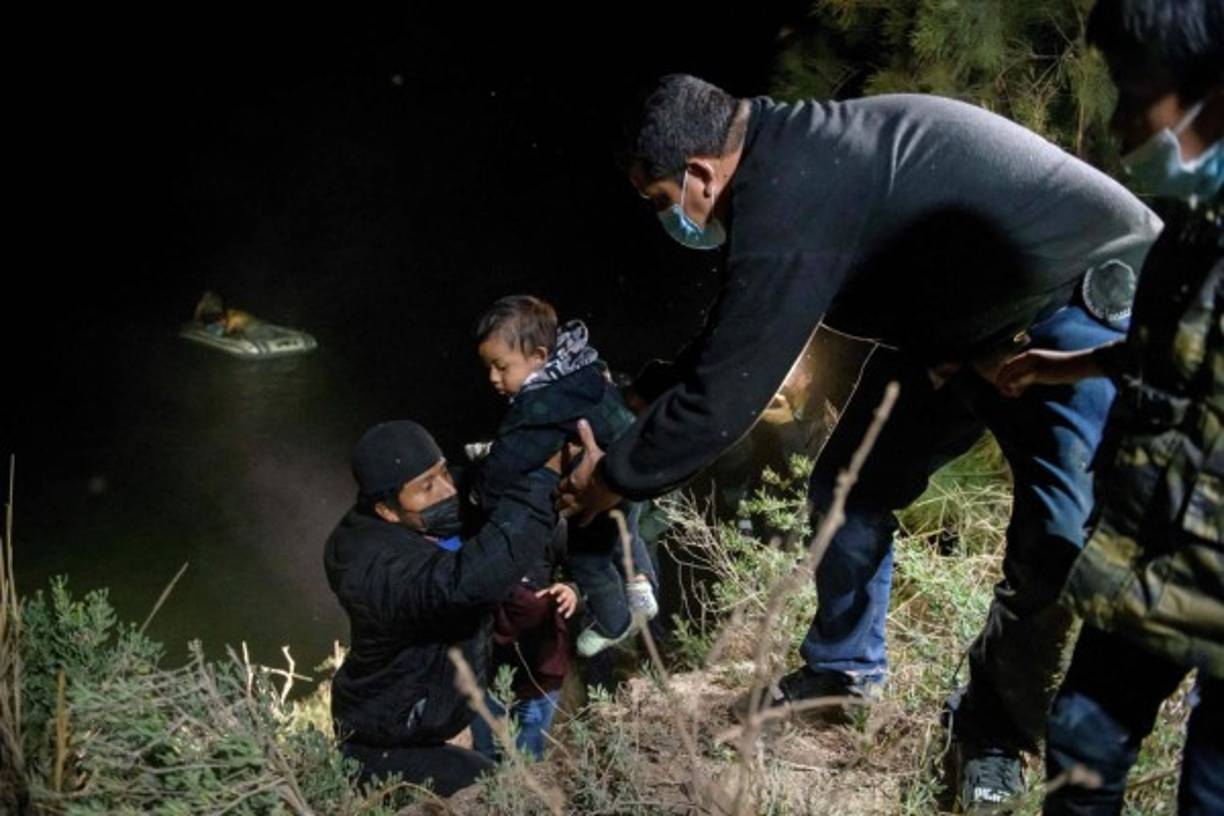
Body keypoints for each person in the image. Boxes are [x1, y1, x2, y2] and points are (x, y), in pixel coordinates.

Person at [560, 74, 1161, 809]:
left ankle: (992, 733)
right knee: (851, 489)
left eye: (661, 203)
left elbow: (729, 394)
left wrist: (611, 479)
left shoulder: (794, 183)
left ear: (699, 173)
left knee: (1056, 539)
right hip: (958, 333)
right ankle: (842, 672)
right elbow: (747, 325)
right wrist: (656, 386)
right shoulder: (792, 160)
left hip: (1074, 303)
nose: (670, 219)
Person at [993, 1, 1222, 812]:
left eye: (1138, 95)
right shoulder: (1195, 228)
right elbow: (1180, 353)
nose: (1123, 126)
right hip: (1148, 563)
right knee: (1083, 749)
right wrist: (1073, 364)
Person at [323, 420, 561, 795]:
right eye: (427, 487)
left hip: (429, 716)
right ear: (386, 510)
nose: (447, 489)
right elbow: (461, 585)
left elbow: (480, 488)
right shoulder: (366, 563)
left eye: (443, 471)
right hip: (385, 740)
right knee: (497, 795)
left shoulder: (415, 517)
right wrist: (543, 482)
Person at [474, 295, 659, 657]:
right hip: (631, 466)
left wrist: (482, 492)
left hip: (597, 483)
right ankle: (640, 589)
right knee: (626, 532)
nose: (493, 379)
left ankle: (614, 621)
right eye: (488, 369)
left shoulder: (541, 405)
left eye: (501, 367)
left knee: (587, 558)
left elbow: (512, 457)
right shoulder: (582, 367)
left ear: (539, 357)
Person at [469, 521, 579, 762]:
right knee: (484, 754)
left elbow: (582, 573)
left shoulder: (552, 528)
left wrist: (572, 590)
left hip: (538, 667)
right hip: (487, 666)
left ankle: (519, 792)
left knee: (527, 756)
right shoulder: (478, 528)